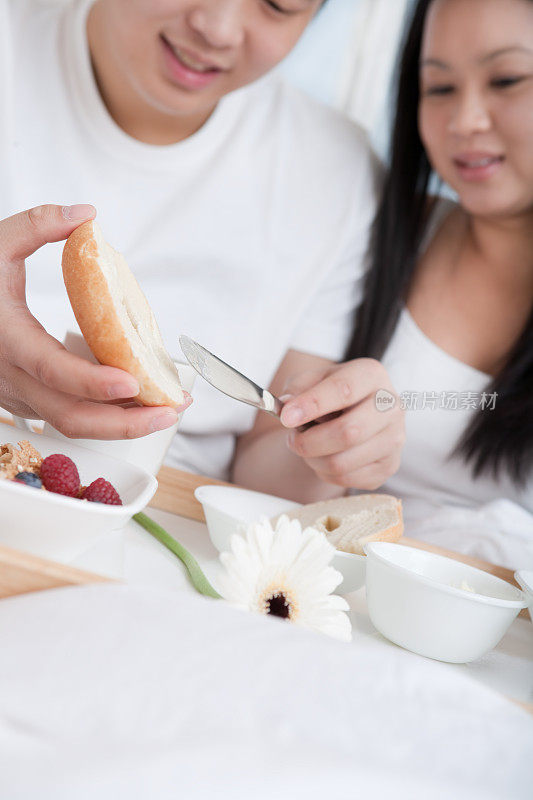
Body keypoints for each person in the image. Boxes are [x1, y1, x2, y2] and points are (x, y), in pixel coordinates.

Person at [0, 0, 405, 502]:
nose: (218, 29)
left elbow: (268, 472)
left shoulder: (337, 174)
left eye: (279, 4)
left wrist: (336, 442)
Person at [323, 0, 530, 566]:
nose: (465, 121)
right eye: (438, 88)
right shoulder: (373, 228)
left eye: (507, 79)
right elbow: (266, 470)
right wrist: (319, 449)